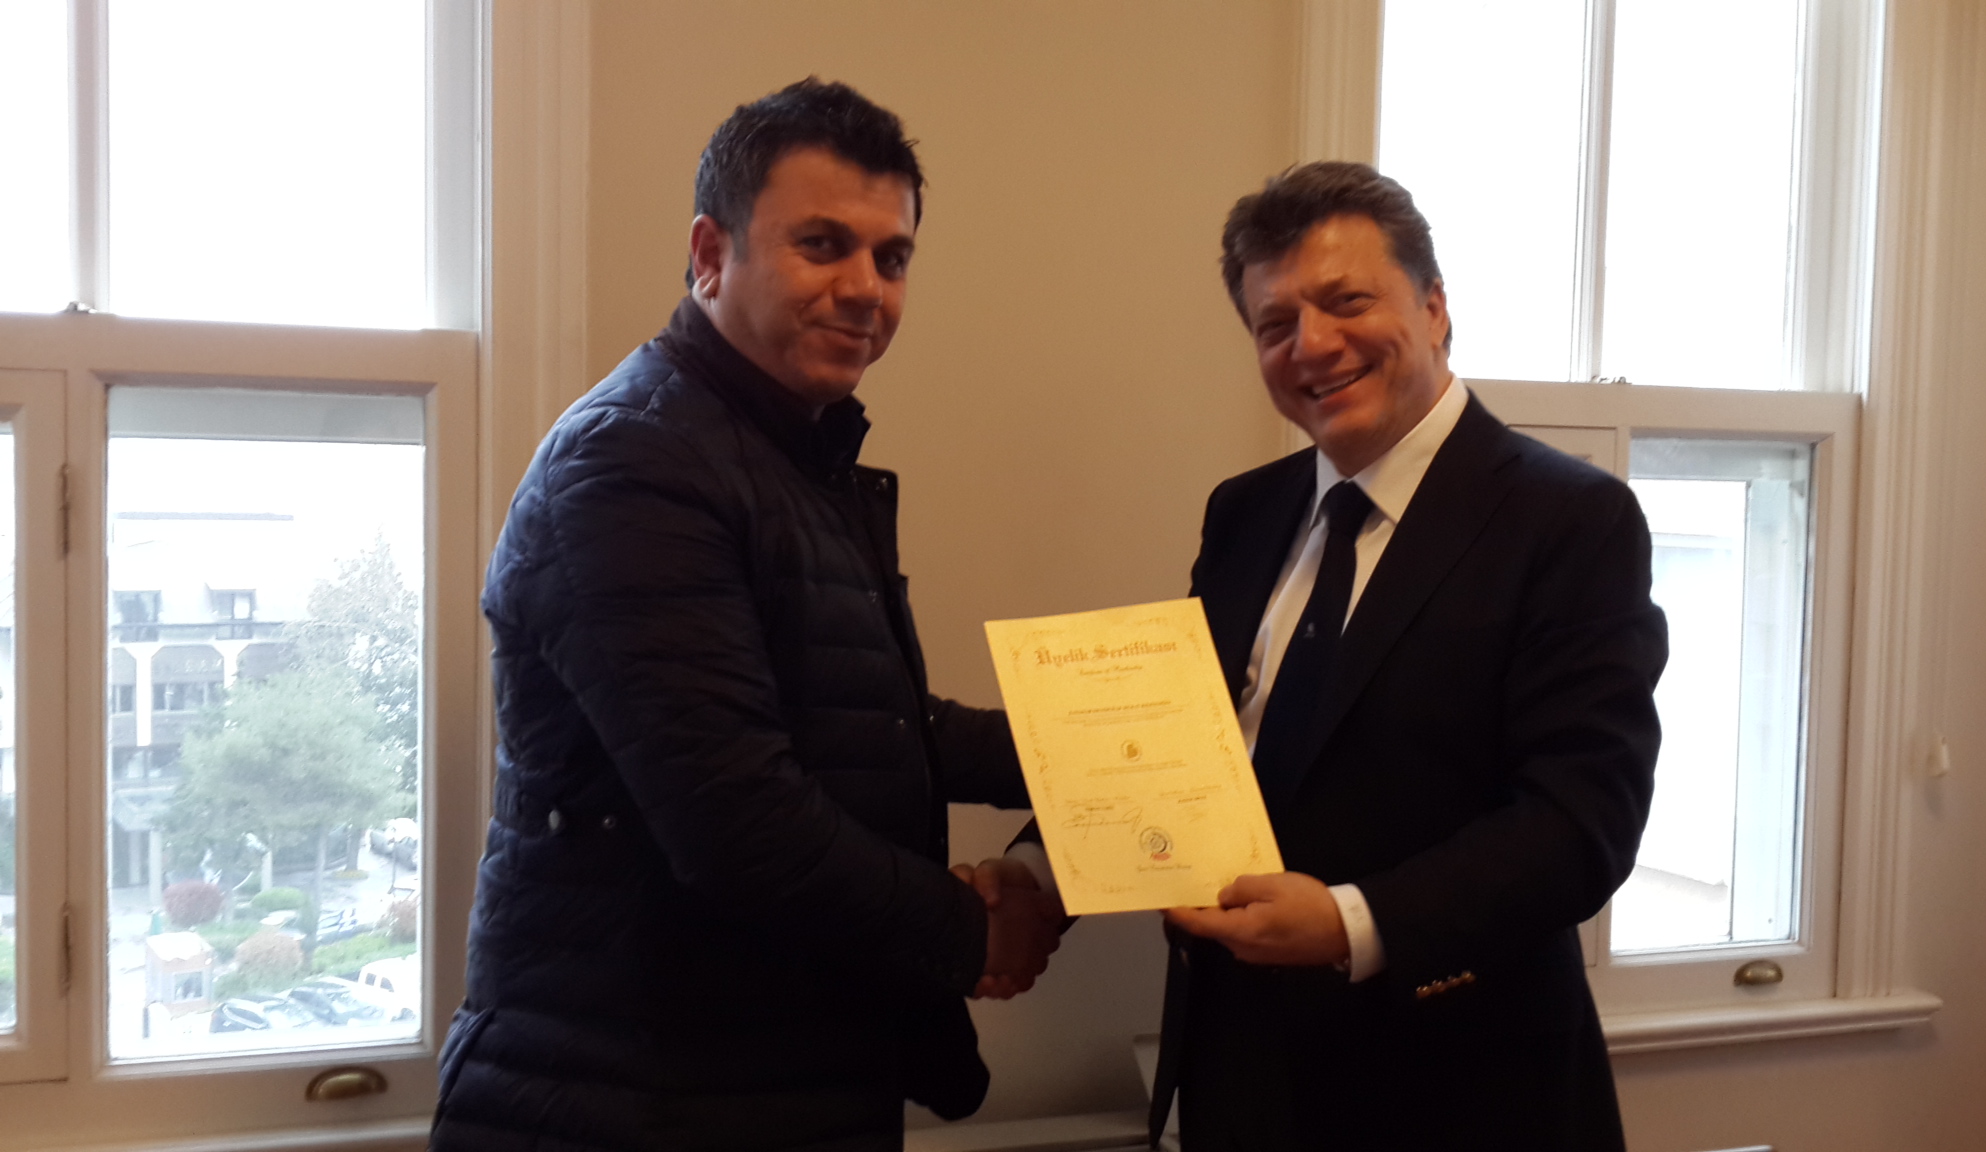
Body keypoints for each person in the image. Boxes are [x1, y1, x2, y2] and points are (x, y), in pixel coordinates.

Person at [431, 79, 1061, 1152]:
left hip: (762, 1074)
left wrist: (1103, 753)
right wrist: (973, 930)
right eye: (822, 245)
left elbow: (867, 725)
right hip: (630, 1097)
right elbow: (740, 818)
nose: (864, 289)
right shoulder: (634, 463)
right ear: (709, 254)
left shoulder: (781, 457)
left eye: (892, 257)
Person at [1153, 162, 1669, 1150]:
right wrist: (1040, 869)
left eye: (1347, 302)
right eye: (1274, 323)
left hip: (1466, 1099)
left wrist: (1355, 922)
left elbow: (1583, 821)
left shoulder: (1569, 520)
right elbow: (1179, 744)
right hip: (1240, 1085)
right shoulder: (1245, 512)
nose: (1311, 344)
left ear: (1434, 308)